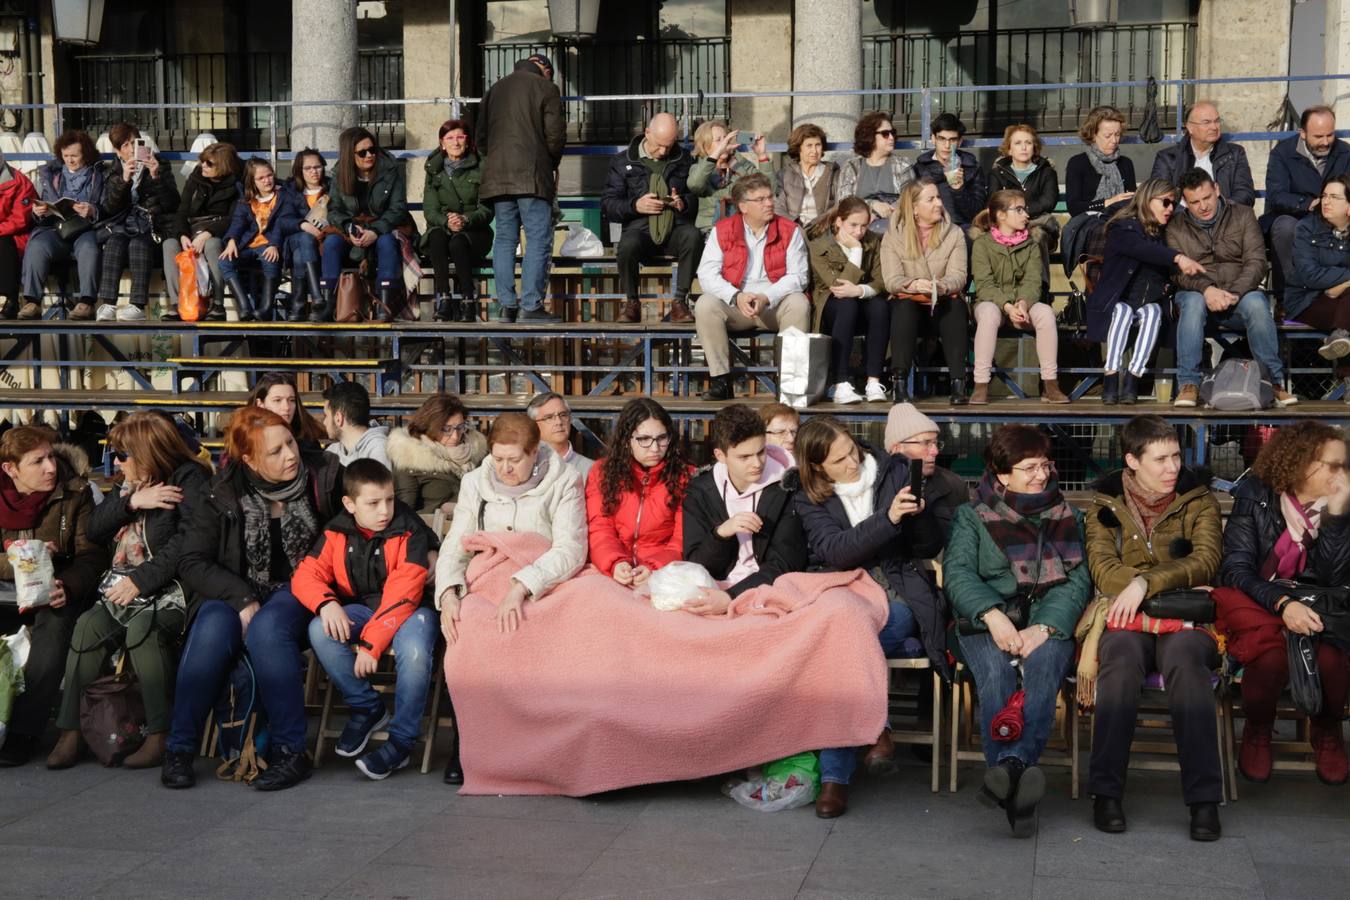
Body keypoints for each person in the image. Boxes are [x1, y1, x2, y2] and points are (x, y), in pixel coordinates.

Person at [162, 405, 343, 791]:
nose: (290, 454)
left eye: (290, 442)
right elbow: (191, 560)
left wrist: (424, 546)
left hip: (303, 586)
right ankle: (179, 748)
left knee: (267, 630)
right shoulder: (222, 490)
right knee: (211, 628)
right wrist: (242, 598)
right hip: (238, 588)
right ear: (250, 459)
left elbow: (376, 508)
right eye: (275, 452)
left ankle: (291, 752)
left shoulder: (324, 473)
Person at [791, 415, 948, 818]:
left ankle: (835, 780)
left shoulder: (894, 471)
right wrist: (888, 519)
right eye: (840, 460)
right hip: (842, 594)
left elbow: (929, 546)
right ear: (818, 468)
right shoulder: (808, 496)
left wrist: (919, 514)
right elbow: (835, 551)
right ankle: (875, 726)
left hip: (897, 595)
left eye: (853, 450)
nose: (853, 463)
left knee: (838, 651)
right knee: (846, 637)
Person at [1083, 414, 1224, 842]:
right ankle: (1106, 794)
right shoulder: (1104, 507)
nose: (1173, 468)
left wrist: (1146, 581)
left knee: (1186, 662)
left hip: (1185, 615)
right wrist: (1148, 583)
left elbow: (1207, 561)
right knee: (1120, 661)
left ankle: (1203, 802)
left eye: (1176, 456)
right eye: (1161, 459)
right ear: (1132, 460)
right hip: (1128, 619)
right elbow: (1103, 571)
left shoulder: (1200, 501)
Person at [943, 424, 1089, 837]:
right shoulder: (971, 517)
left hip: (1047, 624)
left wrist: (1044, 626)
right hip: (983, 622)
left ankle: (1009, 769)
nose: (1041, 475)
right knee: (997, 674)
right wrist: (993, 615)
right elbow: (957, 575)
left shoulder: (1068, 516)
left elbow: (1078, 580)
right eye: (1029, 468)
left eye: (1045, 465)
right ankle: (1016, 781)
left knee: (1044, 670)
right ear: (1003, 475)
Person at [45, 412, 210, 770]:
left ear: (147, 451)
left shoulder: (189, 479)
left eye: (123, 454)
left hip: (175, 588)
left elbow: (188, 544)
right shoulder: (130, 484)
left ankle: (158, 734)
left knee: (143, 630)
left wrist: (141, 580)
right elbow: (94, 530)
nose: (117, 462)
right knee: (88, 625)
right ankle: (70, 730)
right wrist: (134, 502)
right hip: (124, 587)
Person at [435, 412, 587, 783]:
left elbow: (570, 548)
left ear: (535, 452)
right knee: (466, 630)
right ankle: (467, 744)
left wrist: (523, 585)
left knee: (542, 627)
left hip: (542, 577)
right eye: (498, 459)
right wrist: (450, 591)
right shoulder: (475, 481)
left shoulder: (565, 479)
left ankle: (537, 747)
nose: (504, 468)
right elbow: (458, 543)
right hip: (487, 577)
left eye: (514, 460)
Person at [1217, 420, 1350, 786]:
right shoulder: (1256, 493)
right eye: (1331, 464)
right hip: (1263, 598)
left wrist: (1336, 516)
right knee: (1271, 655)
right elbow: (1236, 569)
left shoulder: (1344, 501)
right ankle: (1258, 729)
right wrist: (1282, 603)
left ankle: (1327, 731)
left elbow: (1335, 581)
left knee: (1330, 657)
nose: (1340, 472)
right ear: (1298, 462)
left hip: (1320, 603)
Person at [293, 458, 439, 780]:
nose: (385, 510)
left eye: (389, 499)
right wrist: (325, 604)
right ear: (350, 504)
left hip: (414, 609)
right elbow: (306, 575)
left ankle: (401, 742)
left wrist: (370, 646)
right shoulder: (336, 530)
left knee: (414, 652)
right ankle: (368, 707)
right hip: (363, 606)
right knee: (319, 629)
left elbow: (405, 592)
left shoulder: (409, 529)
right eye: (373, 503)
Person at [0, 427, 107, 767]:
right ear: (10, 469)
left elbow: (93, 556)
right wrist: (19, 559)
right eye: (37, 461)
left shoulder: (75, 493)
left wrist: (68, 585)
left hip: (59, 589)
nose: (50, 467)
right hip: (6, 590)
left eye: (50, 456)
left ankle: (23, 733)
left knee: (53, 629)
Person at [1165, 168, 1296, 407]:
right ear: (1185, 202)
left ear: (1217, 189)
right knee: (1192, 303)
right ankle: (1189, 384)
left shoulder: (1244, 214)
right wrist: (1207, 290)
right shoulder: (1175, 226)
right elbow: (1178, 273)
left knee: (1257, 303)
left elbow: (1256, 262)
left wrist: (1234, 292)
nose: (1203, 206)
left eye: (1207, 198)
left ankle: (1273, 383)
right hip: (1199, 296)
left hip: (1239, 295)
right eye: (1195, 202)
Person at [1087, 179, 1205, 405]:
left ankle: (1133, 378)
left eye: (1174, 203)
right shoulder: (1123, 227)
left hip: (1148, 301)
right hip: (1116, 300)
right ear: (1148, 199)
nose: (1170, 208)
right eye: (1165, 202)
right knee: (1121, 313)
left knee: (1153, 313)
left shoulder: (1163, 232)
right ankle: (1111, 376)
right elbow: (1141, 249)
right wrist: (1177, 257)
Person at [694, 173, 810, 401]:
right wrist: (735, 296)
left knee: (799, 302)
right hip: (738, 304)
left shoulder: (789, 230)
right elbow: (706, 274)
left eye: (770, 197)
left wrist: (766, 296)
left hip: (774, 305)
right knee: (705, 304)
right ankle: (721, 380)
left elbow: (799, 276)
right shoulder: (723, 230)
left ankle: (790, 383)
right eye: (761, 199)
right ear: (743, 206)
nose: (769, 203)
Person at [682, 404, 805, 601]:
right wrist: (721, 533)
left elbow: (785, 563)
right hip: (715, 585)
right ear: (720, 456)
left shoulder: (788, 487)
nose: (757, 463)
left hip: (769, 588)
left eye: (761, 451)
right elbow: (696, 564)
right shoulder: (700, 491)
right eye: (744, 457)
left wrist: (730, 597)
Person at [476, 53, 565, 324]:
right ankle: (531, 306)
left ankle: (507, 306)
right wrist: (549, 162)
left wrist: (495, 161)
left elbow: (480, 137)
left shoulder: (494, 90)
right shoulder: (546, 88)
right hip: (532, 175)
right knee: (538, 238)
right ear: (545, 70)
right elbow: (556, 135)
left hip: (497, 175)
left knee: (504, 239)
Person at [602, 112, 701, 325]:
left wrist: (682, 202)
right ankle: (632, 303)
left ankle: (680, 302)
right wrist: (635, 206)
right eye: (659, 145)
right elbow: (609, 205)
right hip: (640, 230)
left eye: (670, 145)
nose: (664, 151)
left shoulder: (684, 159)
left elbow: (696, 198)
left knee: (693, 236)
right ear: (647, 133)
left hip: (675, 227)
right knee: (627, 245)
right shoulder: (622, 161)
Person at [969, 189, 1067, 405]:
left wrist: (1022, 303)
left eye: (1025, 209)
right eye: (1019, 210)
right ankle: (981, 385)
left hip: (1024, 304)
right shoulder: (982, 244)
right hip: (994, 304)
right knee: (987, 314)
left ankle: (1050, 384)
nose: (1026, 215)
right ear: (1001, 215)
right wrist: (1007, 307)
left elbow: (1033, 281)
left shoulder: (1031, 243)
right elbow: (984, 285)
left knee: (1045, 313)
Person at [880, 178, 970, 405]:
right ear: (914, 208)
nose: (939, 203)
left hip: (941, 303)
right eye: (931, 199)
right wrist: (912, 284)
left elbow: (959, 276)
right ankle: (899, 384)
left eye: (938, 197)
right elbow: (891, 280)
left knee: (956, 306)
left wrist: (942, 286)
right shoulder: (894, 235)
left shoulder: (955, 233)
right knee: (904, 309)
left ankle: (958, 384)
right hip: (910, 305)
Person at [585, 398, 692, 587]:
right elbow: (600, 527)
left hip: (664, 570)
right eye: (644, 439)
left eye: (662, 438)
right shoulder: (602, 472)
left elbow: (682, 538)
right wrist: (615, 563)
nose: (655, 448)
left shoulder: (686, 476)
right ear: (627, 440)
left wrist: (654, 566)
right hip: (611, 568)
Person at [318, 127, 413, 323]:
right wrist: (348, 227)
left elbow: (398, 209)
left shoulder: (390, 171)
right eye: (362, 152)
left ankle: (383, 305)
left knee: (387, 243)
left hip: (384, 227)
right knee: (331, 243)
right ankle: (330, 303)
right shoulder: (339, 174)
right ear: (349, 155)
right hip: (353, 228)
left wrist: (375, 231)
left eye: (372, 150)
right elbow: (334, 209)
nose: (369, 155)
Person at [17, 130, 106, 321]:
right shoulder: (52, 174)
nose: (70, 160)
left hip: (85, 228)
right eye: (66, 156)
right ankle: (32, 301)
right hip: (56, 227)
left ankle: (87, 302)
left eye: (75, 155)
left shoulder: (99, 174)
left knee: (89, 249)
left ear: (86, 154)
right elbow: (42, 203)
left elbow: (107, 206)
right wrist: (38, 211)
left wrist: (92, 210)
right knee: (37, 246)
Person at [95, 122, 180, 322]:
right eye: (125, 145)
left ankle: (137, 305)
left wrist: (155, 176)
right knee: (115, 243)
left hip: (151, 224)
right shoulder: (113, 170)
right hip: (122, 224)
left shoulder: (160, 164)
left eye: (134, 142)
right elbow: (109, 208)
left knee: (138, 244)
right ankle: (108, 304)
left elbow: (173, 203)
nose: (131, 148)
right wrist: (124, 181)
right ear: (117, 151)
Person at [808, 196, 888, 404]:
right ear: (839, 222)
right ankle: (840, 382)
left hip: (862, 299)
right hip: (831, 305)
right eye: (853, 225)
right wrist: (856, 250)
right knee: (847, 305)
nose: (859, 232)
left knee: (880, 306)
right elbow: (839, 287)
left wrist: (860, 290)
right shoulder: (819, 246)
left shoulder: (874, 240)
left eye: (863, 226)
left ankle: (873, 381)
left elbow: (881, 281)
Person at [1265, 106, 1350, 289]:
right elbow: (1276, 195)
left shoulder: (1346, 153)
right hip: (1298, 216)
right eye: (1319, 136)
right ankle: (1286, 298)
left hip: (1337, 218)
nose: (1326, 142)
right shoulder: (1282, 154)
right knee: (1285, 228)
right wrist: (1309, 204)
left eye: (1330, 134)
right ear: (1302, 133)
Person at [421, 118, 493, 323]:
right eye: (449, 138)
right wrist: (446, 221)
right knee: (436, 236)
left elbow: (487, 209)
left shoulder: (481, 166)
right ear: (442, 143)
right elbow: (430, 209)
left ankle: (468, 300)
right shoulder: (433, 169)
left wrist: (465, 219)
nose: (455, 142)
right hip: (443, 227)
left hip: (474, 231)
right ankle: (443, 299)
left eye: (460, 137)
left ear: (468, 141)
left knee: (457, 242)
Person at [162, 141, 242, 321]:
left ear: (223, 166)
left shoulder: (237, 184)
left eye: (209, 163)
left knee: (213, 245)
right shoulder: (195, 177)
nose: (203, 166)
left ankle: (218, 304)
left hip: (219, 229)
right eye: (203, 161)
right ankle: (178, 303)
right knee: (169, 244)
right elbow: (182, 211)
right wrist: (182, 234)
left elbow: (235, 217)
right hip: (192, 227)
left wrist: (208, 233)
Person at [218, 157, 304, 322]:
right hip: (249, 245)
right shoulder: (247, 200)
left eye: (270, 175)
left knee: (270, 259)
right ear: (252, 181)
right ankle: (244, 307)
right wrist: (231, 241)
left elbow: (285, 221)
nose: (267, 180)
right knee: (224, 261)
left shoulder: (284, 195)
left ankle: (265, 307)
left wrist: (274, 244)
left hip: (271, 244)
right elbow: (238, 222)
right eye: (261, 178)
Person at [1287, 173, 1350, 395]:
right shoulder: (1306, 227)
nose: (1326, 201)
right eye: (1324, 195)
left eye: (1334, 197)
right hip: (1308, 300)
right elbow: (1309, 275)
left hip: (1341, 301)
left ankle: (1341, 336)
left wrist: (1340, 286)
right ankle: (1347, 376)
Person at [386, 393, 486, 516]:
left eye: (460, 427)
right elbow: (404, 514)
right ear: (429, 427)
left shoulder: (479, 451)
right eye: (446, 429)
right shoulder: (409, 458)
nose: (455, 436)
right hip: (433, 530)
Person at [988, 123, 1060, 292]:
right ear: (1009, 149)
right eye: (1018, 143)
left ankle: (1040, 291)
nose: (1024, 147)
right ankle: (1003, 292)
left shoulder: (1046, 172)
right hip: (1006, 226)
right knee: (991, 240)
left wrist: (1018, 214)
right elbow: (994, 202)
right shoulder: (997, 173)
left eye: (1028, 143)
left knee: (1036, 237)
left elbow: (1048, 201)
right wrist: (1014, 220)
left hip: (1038, 224)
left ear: (1034, 147)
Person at [883, 402, 968, 539]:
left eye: (935, 443)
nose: (935, 452)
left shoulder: (954, 485)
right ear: (896, 449)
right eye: (925, 443)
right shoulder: (875, 488)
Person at [1150, 100, 1255, 207]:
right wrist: (1189, 214)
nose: (1214, 127)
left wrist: (1218, 209)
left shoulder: (1235, 153)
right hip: (1181, 221)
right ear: (1190, 127)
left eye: (1217, 121)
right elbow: (1160, 198)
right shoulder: (1167, 157)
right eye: (1207, 122)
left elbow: (1245, 195)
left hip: (1225, 219)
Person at [687, 120, 773, 231]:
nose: (725, 143)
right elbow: (694, 184)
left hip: (744, 227)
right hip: (712, 230)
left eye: (726, 138)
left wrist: (762, 155)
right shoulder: (699, 169)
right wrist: (715, 155)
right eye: (719, 140)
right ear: (705, 146)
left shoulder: (739, 162)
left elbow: (769, 189)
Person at [834, 111, 914, 229]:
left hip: (895, 226)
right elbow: (844, 202)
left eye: (892, 133)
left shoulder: (903, 165)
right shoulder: (852, 166)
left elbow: (910, 199)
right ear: (870, 136)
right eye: (885, 134)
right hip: (857, 227)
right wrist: (872, 206)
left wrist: (884, 212)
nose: (891, 137)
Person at [911, 113, 987, 231]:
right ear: (933, 139)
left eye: (952, 140)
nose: (947, 145)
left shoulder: (972, 168)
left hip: (963, 229)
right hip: (930, 228)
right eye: (942, 139)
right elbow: (914, 207)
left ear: (960, 141)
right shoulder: (920, 168)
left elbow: (976, 214)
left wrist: (959, 189)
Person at [1065, 106, 1137, 217]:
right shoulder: (1078, 163)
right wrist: (1109, 202)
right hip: (1088, 222)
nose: (1114, 141)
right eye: (1107, 136)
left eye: (1117, 135)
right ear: (1093, 135)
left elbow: (1133, 203)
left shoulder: (1125, 163)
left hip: (1121, 221)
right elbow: (1074, 208)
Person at [283, 148, 328, 322]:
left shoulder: (332, 188)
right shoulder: (290, 191)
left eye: (317, 167)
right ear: (299, 171)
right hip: (295, 237)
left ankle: (300, 302)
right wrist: (303, 225)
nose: (314, 172)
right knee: (304, 238)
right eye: (308, 168)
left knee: (299, 255)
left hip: (323, 239)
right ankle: (317, 295)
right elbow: (282, 220)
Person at [776, 122, 838, 228]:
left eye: (818, 145)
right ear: (799, 148)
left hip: (823, 230)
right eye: (809, 145)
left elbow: (839, 204)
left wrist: (818, 225)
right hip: (792, 230)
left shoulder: (833, 172)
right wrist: (795, 227)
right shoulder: (785, 174)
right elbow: (778, 207)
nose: (814, 151)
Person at [0, 149, 38, 320]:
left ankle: (9, 300)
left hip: (16, 235)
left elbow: (21, 218)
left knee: (3, 243)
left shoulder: (20, 181)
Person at [244, 373, 326, 452]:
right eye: (277, 400)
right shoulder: (245, 440)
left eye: (291, 400)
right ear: (260, 404)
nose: (286, 407)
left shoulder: (308, 442)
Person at [526, 391, 592, 482]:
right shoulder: (524, 465)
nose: (559, 422)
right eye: (549, 417)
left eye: (563, 415)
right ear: (534, 425)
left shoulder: (591, 469)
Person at [322, 380, 390, 468]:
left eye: (326, 416)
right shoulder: (331, 453)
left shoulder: (378, 450)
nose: (324, 422)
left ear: (338, 418)